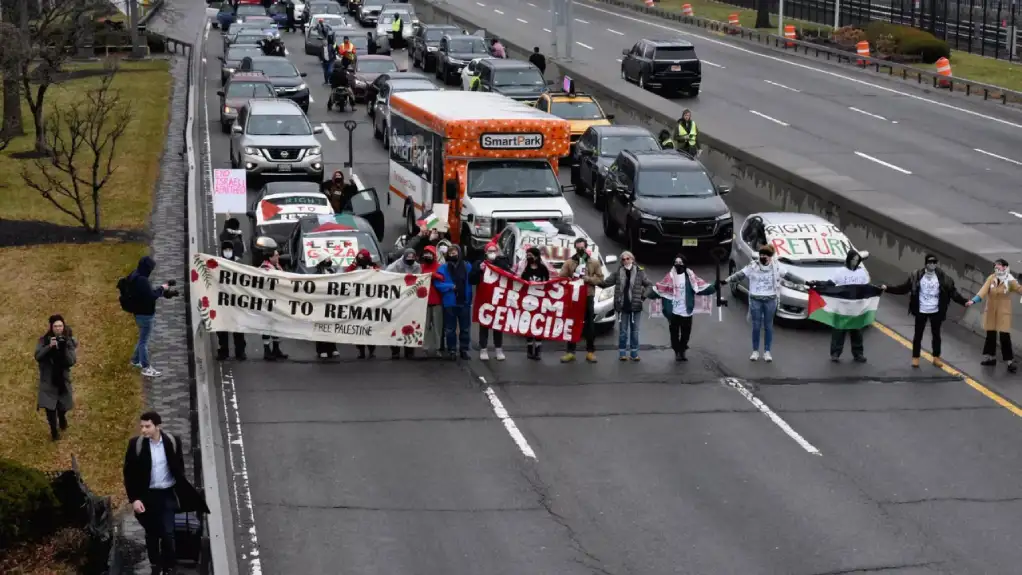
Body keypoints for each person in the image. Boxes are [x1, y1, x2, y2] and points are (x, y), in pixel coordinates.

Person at [123, 411, 208, 575]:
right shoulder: (136, 445)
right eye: (142, 427)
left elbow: (179, 467)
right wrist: (134, 499)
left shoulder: (172, 441)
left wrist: (181, 491)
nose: (144, 430)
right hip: (147, 495)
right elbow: (129, 474)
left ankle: (169, 567)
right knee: (152, 533)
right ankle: (155, 565)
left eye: (147, 426)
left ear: (157, 426)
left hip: (167, 494)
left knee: (168, 533)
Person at [883, 254, 968, 368]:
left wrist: (964, 302)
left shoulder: (943, 278)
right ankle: (915, 358)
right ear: (925, 264)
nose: (932, 265)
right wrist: (888, 289)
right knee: (918, 335)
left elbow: (953, 292)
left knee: (936, 335)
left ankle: (936, 358)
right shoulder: (917, 276)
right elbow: (903, 288)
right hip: (921, 310)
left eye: (934, 263)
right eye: (929, 262)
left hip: (936, 311)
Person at [725, 245, 803, 362]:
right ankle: (755, 351)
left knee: (768, 326)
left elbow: (789, 276)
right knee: (756, 326)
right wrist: (725, 281)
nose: (763, 257)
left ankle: (767, 352)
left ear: (771, 257)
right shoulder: (753, 266)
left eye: (765, 255)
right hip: (756, 299)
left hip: (770, 300)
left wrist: (805, 282)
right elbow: (740, 274)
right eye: (761, 255)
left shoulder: (776, 266)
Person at [650, 255, 718, 362]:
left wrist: (714, 286)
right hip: (673, 312)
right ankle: (677, 351)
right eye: (676, 262)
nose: (678, 264)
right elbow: (659, 289)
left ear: (684, 264)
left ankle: (682, 350)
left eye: (680, 262)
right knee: (674, 334)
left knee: (686, 334)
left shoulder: (690, 277)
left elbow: (701, 287)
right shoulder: (669, 277)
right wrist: (646, 294)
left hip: (687, 311)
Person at [966, 258, 1022, 372]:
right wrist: (973, 300)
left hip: (1003, 313)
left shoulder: (1010, 281)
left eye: (999, 266)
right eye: (995, 266)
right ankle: (990, 358)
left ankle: (1009, 362)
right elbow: (983, 291)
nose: (996, 268)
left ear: (1005, 267)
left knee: (1004, 337)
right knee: (990, 335)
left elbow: (1019, 289)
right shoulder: (991, 278)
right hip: (991, 311)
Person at [559, 237, 605, 363]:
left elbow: (601, 279)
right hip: (574, 297)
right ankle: (570, 351)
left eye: (582, 248)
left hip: (588, 296)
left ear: (586, 248)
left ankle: (590, 352)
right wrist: (570, 280)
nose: (580, 250)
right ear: (575, 248)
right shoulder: (569, 263)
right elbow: (561, 278)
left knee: (589, 325)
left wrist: (588, 279)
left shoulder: (594, 263)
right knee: (572, 324)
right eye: (578, 248)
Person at [601, 251, 653, 361]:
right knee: (623, 332)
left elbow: (649, 285)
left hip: (635, 307)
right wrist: (591, 279)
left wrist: (643, 297)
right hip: (622, 307)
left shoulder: (639, 272)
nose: (626, 261)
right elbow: (605, 283)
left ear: (632, 259)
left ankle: (634, 354)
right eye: (623, 259)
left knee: (635, 332)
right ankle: (622, 353)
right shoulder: (618, 273)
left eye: (628, 258)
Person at [125, 256, 170, 378]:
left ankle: (135, 360)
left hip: (138, 313)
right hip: (145, 315)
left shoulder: (135, 275)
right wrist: (162, 288)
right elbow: (151, 296)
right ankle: (146, 367)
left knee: (142, 338)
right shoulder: (143, 280)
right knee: (144, 341)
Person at [825, 249, 873, 363]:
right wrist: (818, 285)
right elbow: (830, 284)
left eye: (857, 260)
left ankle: (858, 354)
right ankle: (835, 353)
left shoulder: (861, 273)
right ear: (848, 260)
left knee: (857, 332)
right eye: (853, 260)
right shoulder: (840, 272)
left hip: (856, 307)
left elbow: (866, 287)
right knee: (839, 331)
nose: (855, 262)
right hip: (842, 307)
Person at [36, 314, 77, 441]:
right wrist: (50, 347)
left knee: (63, 405)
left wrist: (63, 348)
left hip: (62, 380)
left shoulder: (68, 340)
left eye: (60, 326)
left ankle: (62, 416)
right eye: (55, 326)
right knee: (49, 408)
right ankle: (54, 431)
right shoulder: (43, 340)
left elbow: (71, 361)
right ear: (51, 327)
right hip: (48, 379)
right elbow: (38, 356)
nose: (58, 328)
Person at [471, 241, 511, 361]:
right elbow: (472, 280)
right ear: (485, 253)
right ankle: (483, 349)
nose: (492, 253)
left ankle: (498, 349)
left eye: (494, 251)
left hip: (498, 299)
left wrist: (501, 263)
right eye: (490, 251)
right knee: (484, 324)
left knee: (498, 324)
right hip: (484, 298)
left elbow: (510, 275)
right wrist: (479, 270)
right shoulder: (479, 263)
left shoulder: (502, 262)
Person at [436, 244, 473, 360]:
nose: (453, 255)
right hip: (450, 302)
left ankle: (464, 349)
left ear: (459, 253)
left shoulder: (467, 266)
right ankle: (452, 350)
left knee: (465, 328)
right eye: (450, 253)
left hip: (464, 301)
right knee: (450, 329)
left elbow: (473, 279)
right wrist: (450, 286)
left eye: (454, 253)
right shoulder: (443, 268)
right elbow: (437, 284)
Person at [387, 248, 422, 359]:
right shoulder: (394, 266)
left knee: (410, 325)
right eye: (408, 259)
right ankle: (395, 351)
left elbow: (420, 280)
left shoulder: (417, 266)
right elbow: (386, 278)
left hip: (411, 301)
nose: (410, 261)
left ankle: (409, 351)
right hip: (397, 300)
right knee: (395, 326)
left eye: (412, 259)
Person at [346, 248, 381, 359]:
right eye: (359, 258)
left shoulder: (374, 266)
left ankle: (371, 350)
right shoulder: (354, 267)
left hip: (370, 302)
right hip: (357, 302)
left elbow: (382, 277)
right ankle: (361, 351)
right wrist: (354, 265)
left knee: (370, 327)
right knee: (358, 328)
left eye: (363, 258)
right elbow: (345, 275)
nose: (361, 260)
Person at [216, 239, 247, 361]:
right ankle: (223, 351)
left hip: (236, 301)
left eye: (229, 250)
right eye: (225, 250)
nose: (227, 252)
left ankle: (240, 351)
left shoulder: (238, 264)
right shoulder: (217, 263)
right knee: (222, 329)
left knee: (238, 328)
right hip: (223, 301)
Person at [518, 246, 550, 360]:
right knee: (527, 324)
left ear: (536, 257)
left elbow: (548, 284)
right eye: (527, 255)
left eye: (530, 255)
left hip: (539, 301)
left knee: (538, 325)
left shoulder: (543, 269)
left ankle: (537, 350)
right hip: (527, 301)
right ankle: (529, 350)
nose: (528, 257)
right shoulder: (525, 269)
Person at [259, 246, 289, 361]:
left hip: (277, 300)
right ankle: (267, 350)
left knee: (276, 324)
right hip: (268, 301)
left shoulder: (277, 266)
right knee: (267, 324)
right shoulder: (265, 267)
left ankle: (276, 349)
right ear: (270, 257)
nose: (278, 257)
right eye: (276, 255)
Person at [419, 245, 446, 357]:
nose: (427, 256)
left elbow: (444, 278)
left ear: (434, 255)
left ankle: (438, 348)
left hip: (437, 301)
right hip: (424, 301)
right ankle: (424, 348)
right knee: (425, 326)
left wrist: (433, 275)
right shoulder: (421, 267)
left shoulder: (440, 267)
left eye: (429, 254)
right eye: (425, 254)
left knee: (437, 326)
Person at [314, 259, 340, 359]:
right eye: (327, 259)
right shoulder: (316, 274)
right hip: (321, 303)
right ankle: (321, 349)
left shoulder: (332, 271)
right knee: (321, 325)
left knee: (331, 325)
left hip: (331, 302)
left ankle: (332, 347)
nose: (329, 260)